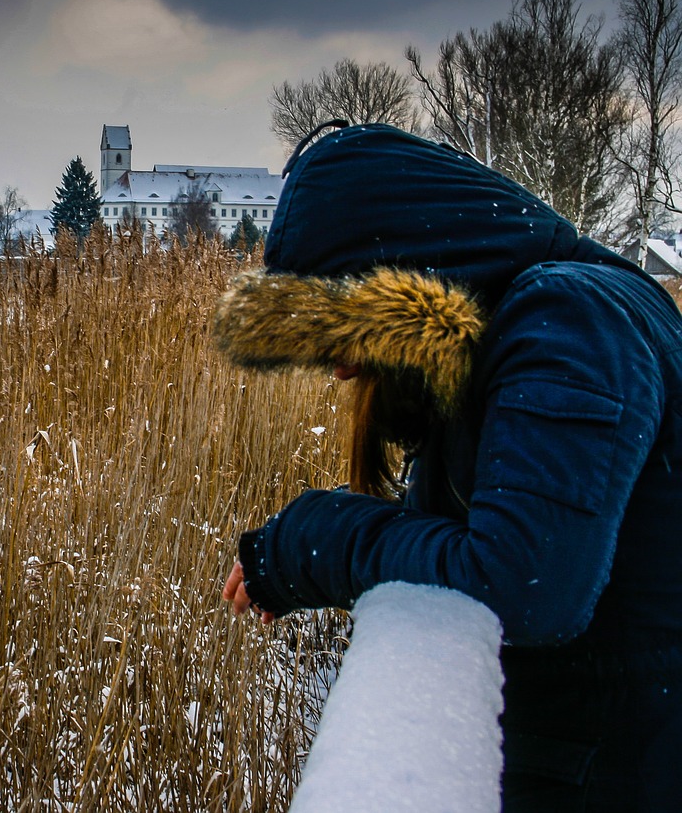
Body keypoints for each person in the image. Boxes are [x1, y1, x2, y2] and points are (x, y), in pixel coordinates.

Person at [213, 122, 682, 811]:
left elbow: (521, 581)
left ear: (413, 277)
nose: (341, 367)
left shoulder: (570, 319)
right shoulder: (538, 325)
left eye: (346, 333)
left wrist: (310, 541)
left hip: (627, 772)